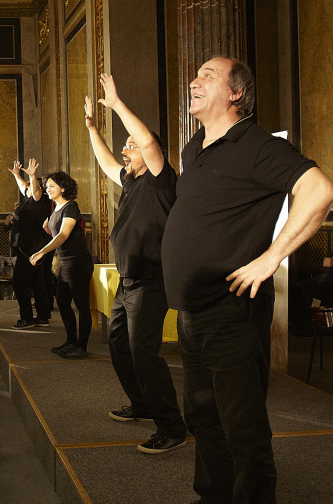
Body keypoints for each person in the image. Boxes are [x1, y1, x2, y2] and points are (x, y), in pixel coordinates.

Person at [161, 57, 333, 504]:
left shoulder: (256, 144)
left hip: (232, 311)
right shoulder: (193, 148)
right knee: (203, 416)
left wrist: (270, 258)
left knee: (243, 427)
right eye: (195, 75)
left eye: (208, 76)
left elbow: (320, 190)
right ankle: (213, 496)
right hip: (192, 310)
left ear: (236, 93)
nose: (194, 81)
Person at [84, 73, 186, 455]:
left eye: (131, 146)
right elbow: (106, 161)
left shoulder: (162, 180)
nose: (125, 150)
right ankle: (142, 403)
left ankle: (172, 426)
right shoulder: (129, 182)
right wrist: (92, 129)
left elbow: (147, 142)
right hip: (126, 281)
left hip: (150, 281)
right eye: (125, 146)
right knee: (118, 344)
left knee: (144, 352)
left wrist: (116, 105)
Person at [30, 172, 93, 358]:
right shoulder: (57, 208)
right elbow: (55, 230)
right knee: (63, 302)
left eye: (52, 186)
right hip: (65, 262)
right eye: (46, 186)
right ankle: (71, 341)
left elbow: (64, 235)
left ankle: (81, 346)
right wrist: (48, 226)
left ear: (63, 188)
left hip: (78, 262)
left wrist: (42, 251)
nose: (47, 189)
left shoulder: (71, 207)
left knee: (81, 306)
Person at [7, 159, 52, 329]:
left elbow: (35, 190)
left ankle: (26, 318)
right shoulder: (29, 199)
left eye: (30, 186)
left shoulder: (40, 200)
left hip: (30, 248)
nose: (27, 188)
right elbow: (24, 187)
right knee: (37, 282)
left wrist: (32, 176)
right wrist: (17, 175)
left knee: (19, 283)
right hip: (31, 247)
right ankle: (43, 316)